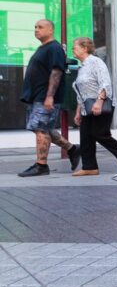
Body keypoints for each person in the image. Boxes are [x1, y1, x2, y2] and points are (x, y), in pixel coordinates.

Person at [18, 19, 80, 177]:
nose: (36, 29)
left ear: (51, 30)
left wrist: (49, 97)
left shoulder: (54, 48)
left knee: (41, 129)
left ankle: (41, 166)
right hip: (37, 97)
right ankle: (73, 149)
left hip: (45, 96)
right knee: (42, 128)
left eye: (40, 27)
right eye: (35, 27)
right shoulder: (43, 48)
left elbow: (57, 72)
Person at [71, 37, 117, 176]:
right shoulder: (82, 67)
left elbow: (105, 83)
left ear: (85, 48)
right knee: (85, 136)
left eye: (75, 47)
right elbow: (81, 93)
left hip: (101, 104)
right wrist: (78, 112)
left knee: (99, 133)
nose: (73, 49)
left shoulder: (95, 62)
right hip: (87, 107)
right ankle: (89, 167)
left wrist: (99, 101)